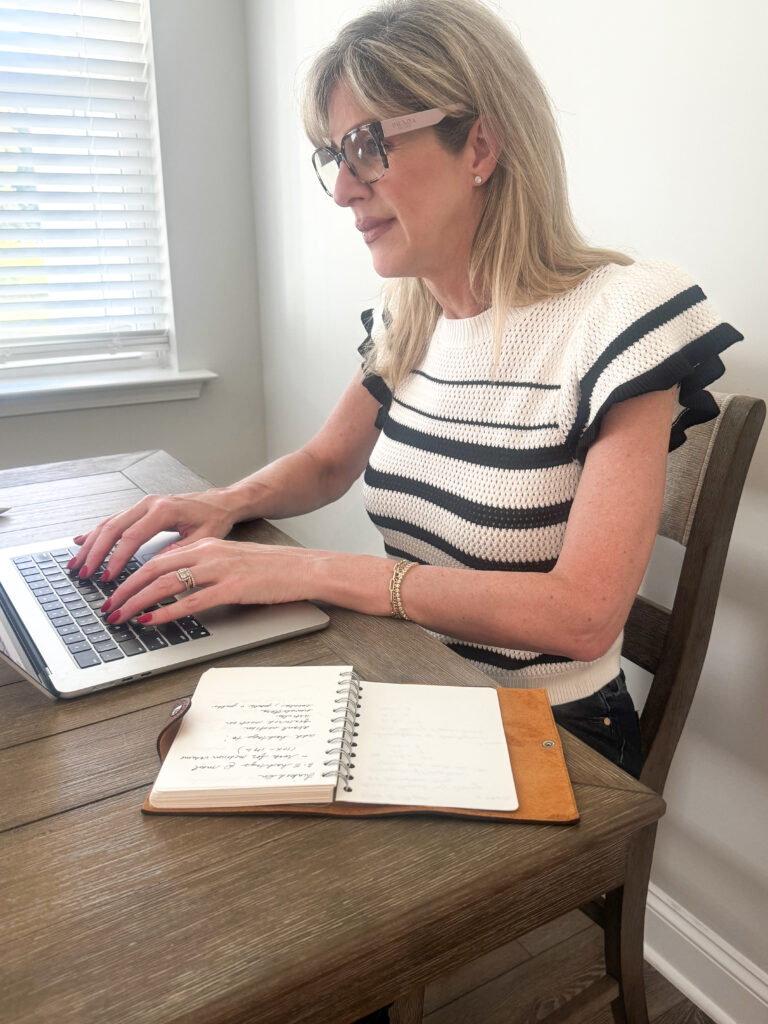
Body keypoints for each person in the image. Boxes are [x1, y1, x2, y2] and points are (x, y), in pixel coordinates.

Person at [69, 0, 740, 784]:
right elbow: (327, 462)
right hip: (415, 683)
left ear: (480, 144)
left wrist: (311, 572)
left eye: (367, 146)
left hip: (551, 731)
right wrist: (224, 501)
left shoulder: (622, 316)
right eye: (333, 155)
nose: (344, 188)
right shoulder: (410, 311)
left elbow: (584, 615)